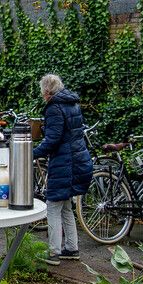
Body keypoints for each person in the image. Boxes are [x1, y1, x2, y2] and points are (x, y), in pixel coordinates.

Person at [32, 74, 93, 265]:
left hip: (64, 163)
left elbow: (53, 139)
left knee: (53, 205)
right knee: (66, 205)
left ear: (47, 92)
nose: (42, 96)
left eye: (43, 92)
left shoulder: (54, 108)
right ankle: (72, 248)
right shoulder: (71, 103)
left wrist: (30, 153)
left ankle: (53, 253)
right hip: (78, 159)